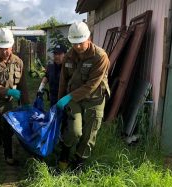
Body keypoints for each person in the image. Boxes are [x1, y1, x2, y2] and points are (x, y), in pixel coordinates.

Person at [56, 22, 110, 170]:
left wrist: (69, 97)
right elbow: (63, 80)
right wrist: (59, 101)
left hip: (95, 98)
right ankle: (64, 153)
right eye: (74, 43)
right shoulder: (69, 56)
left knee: (89, 134)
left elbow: (92, 84)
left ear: (89, 38)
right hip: (73, 99)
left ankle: (79, 163)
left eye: (80, 43)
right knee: (74, 130)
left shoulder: (100, 56)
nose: (77, 47)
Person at [0, 28, 30, 175]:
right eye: (0, 48)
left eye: (6, 48)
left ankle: (8, 156)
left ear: (12, 46)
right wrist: (7, 90)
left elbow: (23, 84)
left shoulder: (18, 62)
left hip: (6, 103)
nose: (4, 52)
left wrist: (26, 104)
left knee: (8, 128)